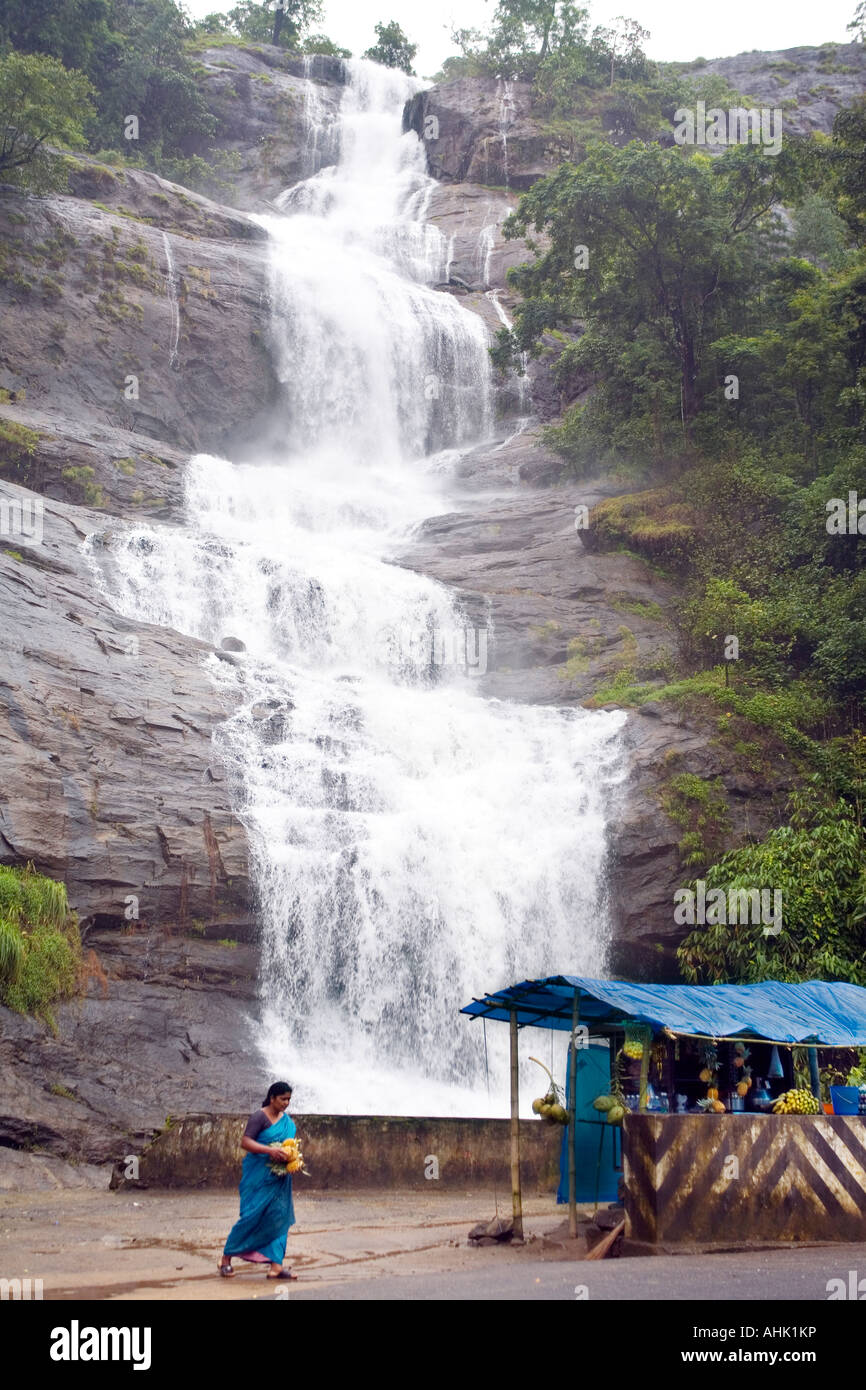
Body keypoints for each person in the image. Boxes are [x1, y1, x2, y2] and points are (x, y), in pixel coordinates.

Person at [219, 1081, 299, 1280]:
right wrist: (270, 1151)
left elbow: (290, 1146)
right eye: (283, 1099)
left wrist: (293, 1160)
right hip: (258, 1176)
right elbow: (245, 1142)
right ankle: (225, 1259)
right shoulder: (259, 1117)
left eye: (289, 1099)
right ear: (272, 1098)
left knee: (278, 1217)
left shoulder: (287, 1121)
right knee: (251, 1217)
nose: (286, 1103)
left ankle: (276, 1266)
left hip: (279, 1178)